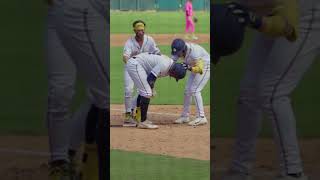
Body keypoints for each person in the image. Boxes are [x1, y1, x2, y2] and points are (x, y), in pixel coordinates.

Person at [221, 1, 320, 180]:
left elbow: (288, 27)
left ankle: (293, 172)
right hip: (274, 11)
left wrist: (257, 21)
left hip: (303, 13)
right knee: (248, 91)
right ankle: (239, 169)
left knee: (273, 91)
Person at [45, 0, 108, 179]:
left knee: (101, 92)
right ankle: (60, 162)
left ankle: (81, 159)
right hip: (64, 13)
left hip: (96, 12)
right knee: (60, 90)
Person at [126, 52, 187, 129]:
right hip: (135, 64)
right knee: (147, 93)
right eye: (175, 76)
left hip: (139, 65)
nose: (174, 77)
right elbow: (151, 78)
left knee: (144, 91)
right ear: (174, 72)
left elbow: (152, 77)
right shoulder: (165, 65)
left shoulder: (170, 66)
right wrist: (152, 89)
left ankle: (138, 117)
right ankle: (143, 122)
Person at [122, 20, 160, 127]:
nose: (140, 32)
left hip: (144, 69)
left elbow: (157, 52)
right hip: (130, 68)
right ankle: (128, 115)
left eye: (142, 30)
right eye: (138, 30)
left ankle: (138, 114)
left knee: (144, 90)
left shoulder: (150, 40)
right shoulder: (130, 42)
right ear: (134, 30)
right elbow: (125, 56)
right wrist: (130, 63)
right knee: (128, 89)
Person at [171, 39, 210, 126]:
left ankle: (201, 117)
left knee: (195, 90)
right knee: (187, 91)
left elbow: (199, 69)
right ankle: (185, 116)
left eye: (178, 53)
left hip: (205, 67)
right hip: (193, 66)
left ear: (183, 50)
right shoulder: (178, 50)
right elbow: (171, 62)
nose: (177, 55)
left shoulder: (194, 52)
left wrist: (188, 67)